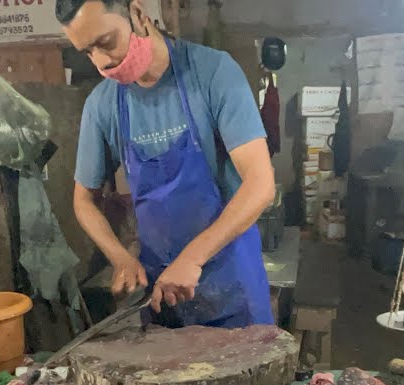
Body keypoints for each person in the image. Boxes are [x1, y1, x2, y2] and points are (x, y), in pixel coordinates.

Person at [58, 0, 275, 327]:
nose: (102, 62)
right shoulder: (102, 105)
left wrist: (192, 258)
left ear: (138, 14)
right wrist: (120, 258)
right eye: (87, 52)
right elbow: (83, 201)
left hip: (233, 286)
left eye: (106, 43)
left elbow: (260, 186)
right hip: (162, 293)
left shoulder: (212, 72)